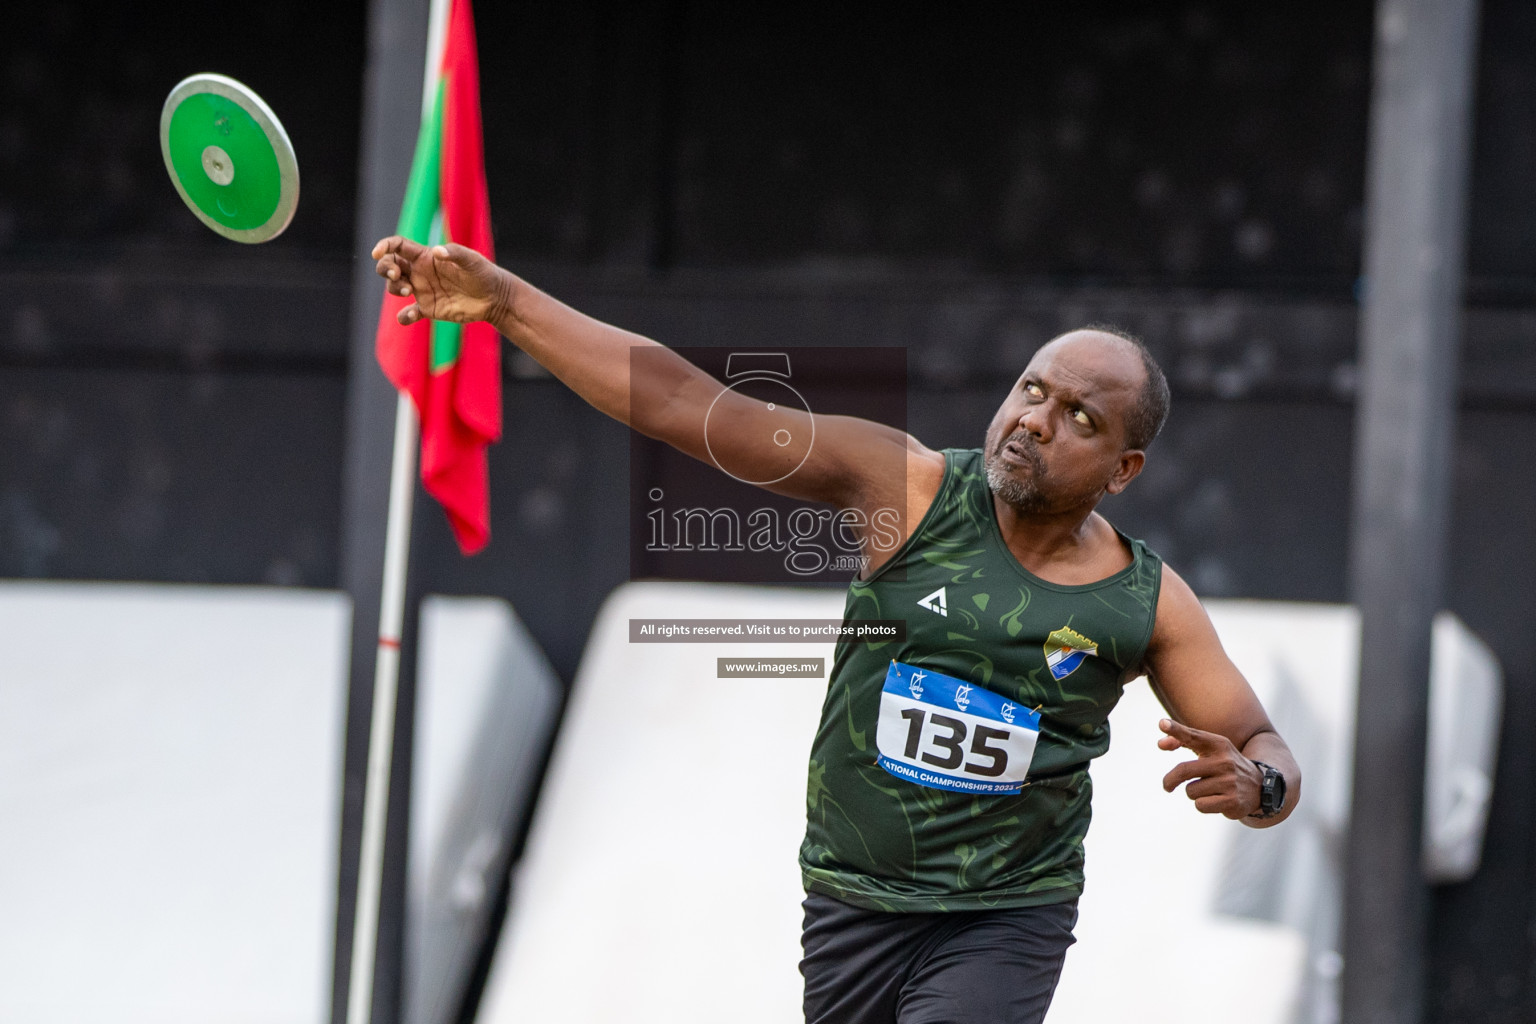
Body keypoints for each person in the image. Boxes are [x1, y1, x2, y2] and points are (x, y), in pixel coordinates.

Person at [371, 237, 1301, 1024]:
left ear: (1124, 468)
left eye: (1078, 417)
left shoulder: (1147, 603)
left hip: (1006, 912)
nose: (1033, 421)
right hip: (851, 898)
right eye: (1031, 389)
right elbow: (685, 404)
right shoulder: (904, 487)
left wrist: (1256, 783)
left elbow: (1266, 747)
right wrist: (503, 300)